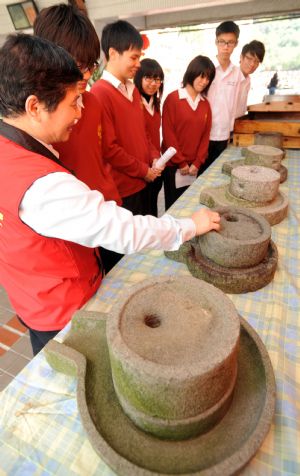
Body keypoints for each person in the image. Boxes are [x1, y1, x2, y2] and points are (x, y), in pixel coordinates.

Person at [0, 34, 220, 355]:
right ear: (35, 106)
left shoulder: (11, 149)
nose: (79, 112)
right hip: (63, 310)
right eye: (73, 101)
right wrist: (189, 226)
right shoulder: (41, 184)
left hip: (33, 298)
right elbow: (122, 231)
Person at [34, 4, 122, 273]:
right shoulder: (35, 118)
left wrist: (113, 201)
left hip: (107, 210)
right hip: (72, 230)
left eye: (90, 64)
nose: (85, 74)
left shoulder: (93, 102)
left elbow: (99, 157)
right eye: (77, 64)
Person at [90, 20, 161, 217]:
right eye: (134, 57)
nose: (138, 64)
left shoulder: (133, 91)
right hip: (125, 189)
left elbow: (143, 133)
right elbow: (109, 149)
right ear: (113, 53)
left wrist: (154, 156)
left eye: (140, 57)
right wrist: (143, 171)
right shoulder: (100, 93)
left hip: (144, 179)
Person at [161, 55, 215, 210]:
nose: (204, 81)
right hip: (174, 167)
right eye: (202, 76)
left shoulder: (205, 105)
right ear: (192, 72)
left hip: (194, 168)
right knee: (173, 208)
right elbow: (168, 134)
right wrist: (181, 162)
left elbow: (205, 137)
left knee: (191, 208)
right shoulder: (173, 99)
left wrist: (197, 163)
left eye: (208, 79)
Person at [206, 20, 241, 169]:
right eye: (222, 42)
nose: (226, 47)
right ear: (216, 42)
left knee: (218, 172)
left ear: (236, 44)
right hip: (204, 133)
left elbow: (235, 105)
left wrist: (231, 132)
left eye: (230, 43)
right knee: (200, 173)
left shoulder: (237, 73)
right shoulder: (206, 68)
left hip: (224, 134)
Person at [134, 58, 164, 216]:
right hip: (142, 165)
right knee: (143, 209)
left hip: (157, 163)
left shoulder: (156, 102)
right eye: (149, 78)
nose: (153, 83)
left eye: (157, 79)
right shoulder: (134, 103)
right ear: (139, 78)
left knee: (153, 205)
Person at [235, 40, 265, 118]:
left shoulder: (248, 80)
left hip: (238, 124)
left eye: (257, 61)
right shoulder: (231, 77)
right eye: (249, 58)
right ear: (241, 57)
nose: (252, 64)